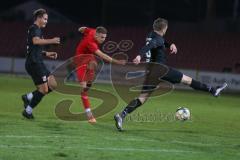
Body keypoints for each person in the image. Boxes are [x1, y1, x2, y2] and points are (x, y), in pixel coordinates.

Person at [114, 17, 227, 131]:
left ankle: (121, 115)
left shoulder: (151, 35)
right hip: (162, 69)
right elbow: (150, 45)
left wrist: (170, 44)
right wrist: (139, 55)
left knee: (142, 98)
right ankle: (213, 90)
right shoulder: (156, 39)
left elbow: (158, 42)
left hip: (152, 71)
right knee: (188, 80)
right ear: (164, 28)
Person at [74, 26, 125, 123]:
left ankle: (89, 82)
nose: (103, 39)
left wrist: (80, 30)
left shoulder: (93, 31)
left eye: (105, 37)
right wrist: (117, 62)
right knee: (84, 89)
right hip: (80, 60)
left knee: (93, 64)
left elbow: (83, 29)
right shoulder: (91, 42)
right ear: (96, 35)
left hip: (88, 57)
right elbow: (102, 55)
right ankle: (89, 114)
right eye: (102, 37)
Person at [21, 8, 60, 119]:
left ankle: (28, 97)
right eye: (45, 19)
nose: (46, 21)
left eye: (47, 19)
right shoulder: (35, 28)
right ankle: (28, 111)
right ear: (38, 18)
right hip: (34, 63)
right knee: (44, 90)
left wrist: (47, 53)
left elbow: (34, 48)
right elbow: (35, 41)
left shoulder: (36, 29)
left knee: (53, 84)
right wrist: (51, 40)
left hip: (38, 61)